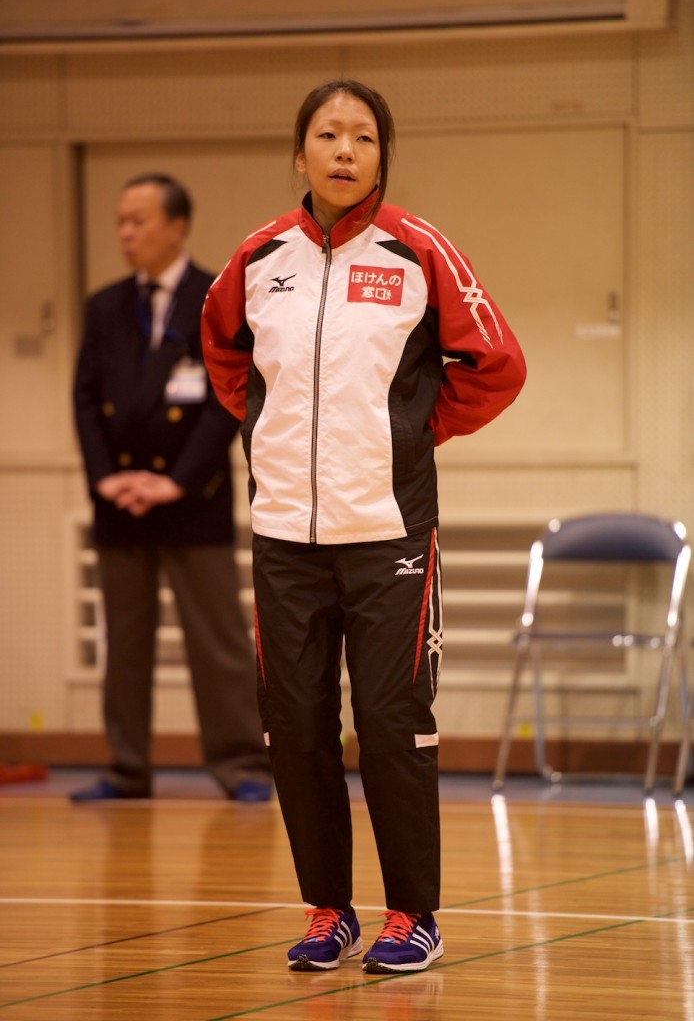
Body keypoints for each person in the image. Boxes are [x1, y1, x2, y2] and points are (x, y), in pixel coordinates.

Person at [201, 79, 526, 973]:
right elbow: (224, 352)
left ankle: (413, 914)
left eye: (364, 138)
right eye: (328, 135)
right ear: (299, 153)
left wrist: (411, 431)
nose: (345, 151)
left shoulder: (419, 250)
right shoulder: (258, 256)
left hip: (388, 533)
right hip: (284, 537)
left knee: (390, 721)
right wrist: (265, 430)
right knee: (295, 724)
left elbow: (496, 365)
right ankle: (328, 911)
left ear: (383, 156)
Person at [71, 172, 272, 804]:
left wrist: (176, 482)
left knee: (218, 641)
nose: (125, 233)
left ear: (177, 227)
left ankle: (242, 764)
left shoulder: (216, 298)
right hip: (121, 502)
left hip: (193, 500)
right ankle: (127, 768)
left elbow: (226, 401)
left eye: (138, 220)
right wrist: (107, 478)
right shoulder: (104, 306)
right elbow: (85, 399)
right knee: (124, 643)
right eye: (120, 221)